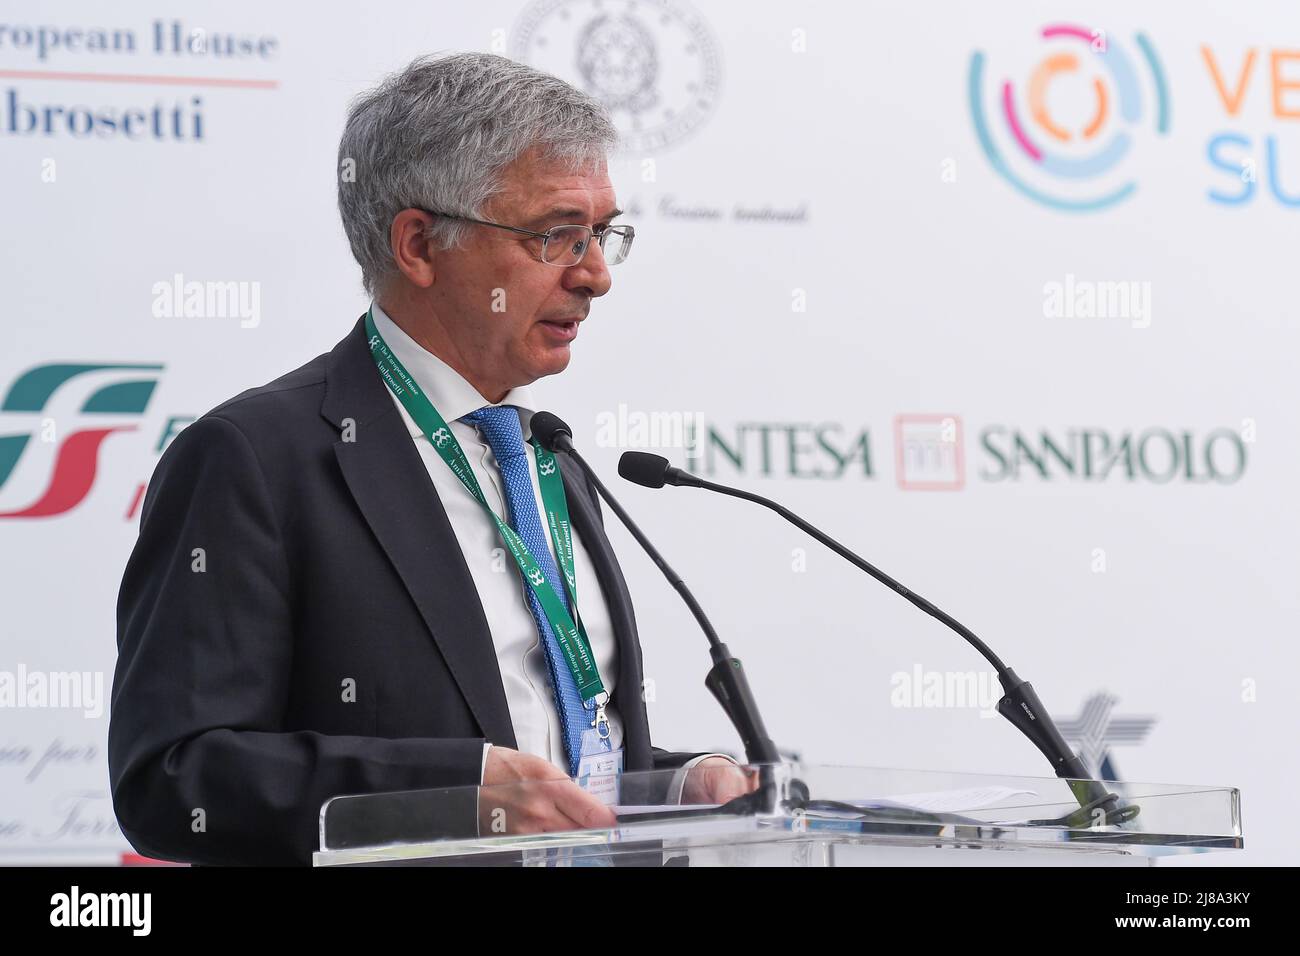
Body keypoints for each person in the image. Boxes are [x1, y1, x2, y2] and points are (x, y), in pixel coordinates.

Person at [108, 52, 753, 866]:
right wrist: (455, 789)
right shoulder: (255, 459)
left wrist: (678, 781)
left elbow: (544, 758)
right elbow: (173, 778)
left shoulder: (547, 456)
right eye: (556, 235)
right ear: (418, 245)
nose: (595, 275)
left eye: (602, 234)